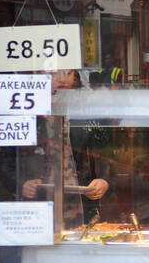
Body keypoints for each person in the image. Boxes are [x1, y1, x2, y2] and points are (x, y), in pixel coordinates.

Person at [18, 69, 111, 224]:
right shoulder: (27, 113)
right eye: (53, 74)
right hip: (35, 209)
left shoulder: (88, 115)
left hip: (82, 206)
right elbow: (6, 162)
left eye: (67, 73)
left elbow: (107, 155)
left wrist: (104, 181)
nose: (62, 80)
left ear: (76, 78)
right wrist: (21, 183)